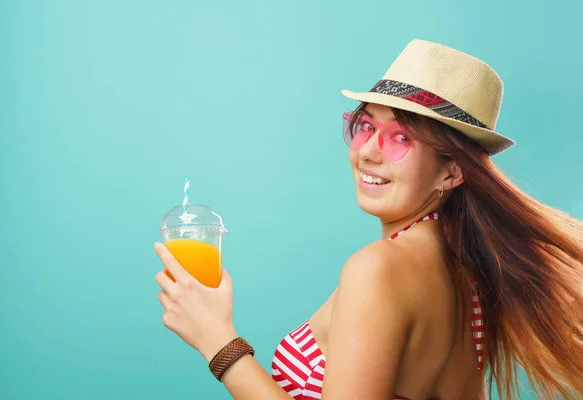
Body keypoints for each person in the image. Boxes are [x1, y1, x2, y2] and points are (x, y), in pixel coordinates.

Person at [154, 39, 583, 399]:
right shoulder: (465, 275)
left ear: (452, 171)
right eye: (365, 126)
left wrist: (217, 341)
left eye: (401, 137)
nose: (368, 152)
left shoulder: (377, 270)